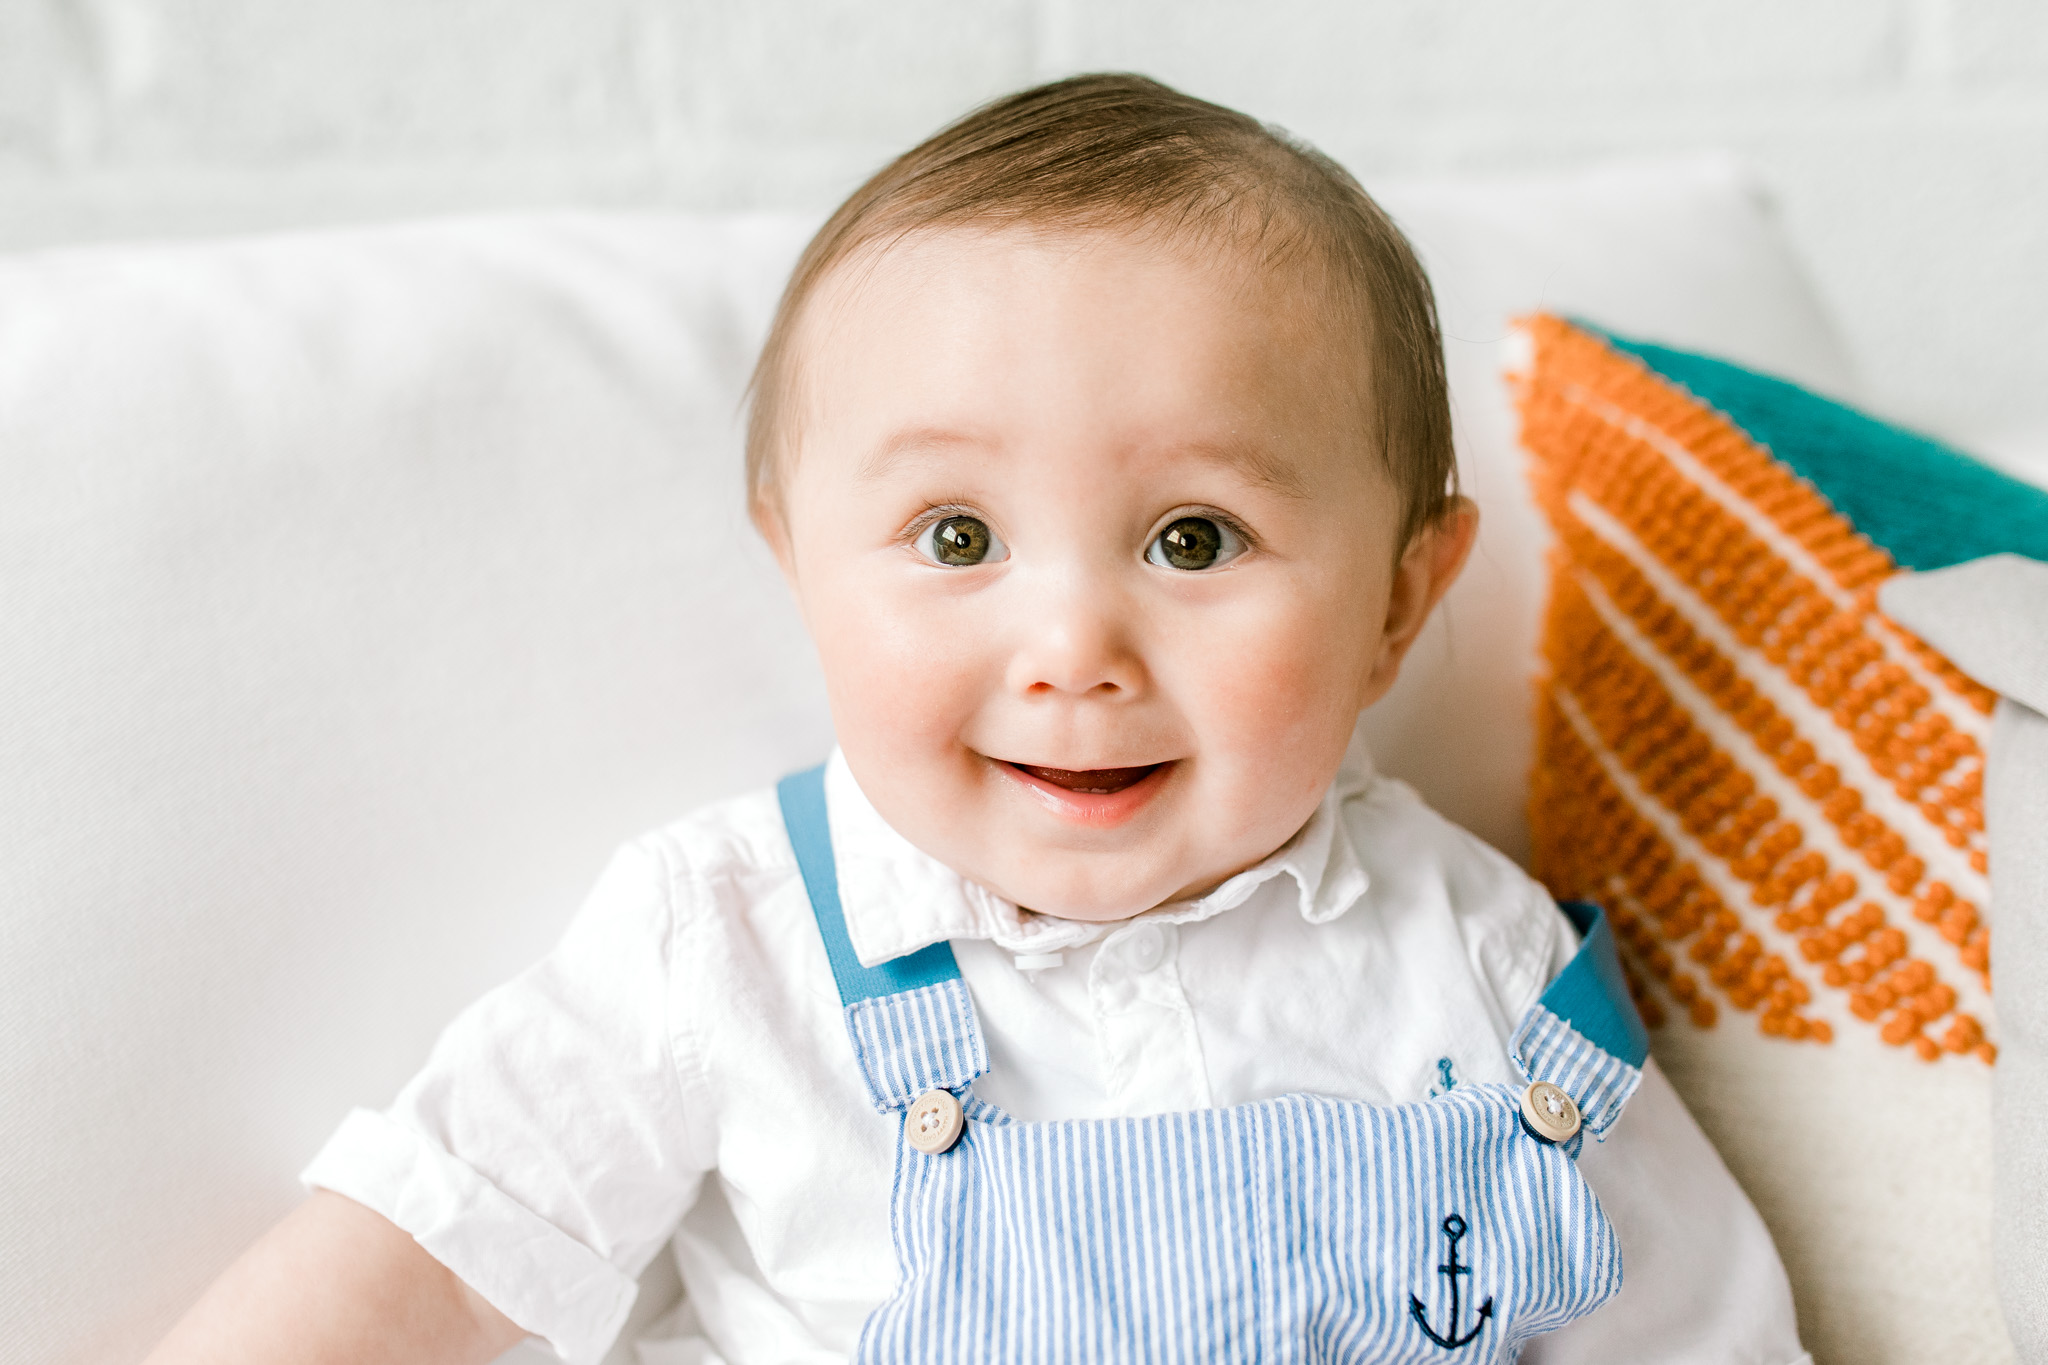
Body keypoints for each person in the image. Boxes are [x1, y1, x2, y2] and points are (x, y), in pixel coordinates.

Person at [144, 74, 1806, 1365]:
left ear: (1397, 602)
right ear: (797, 559)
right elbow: (430, 1251)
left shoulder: (1483, 966)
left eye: (1192, 538)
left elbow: (1701, 1330)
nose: (1073, 645)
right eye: (958, 539)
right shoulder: (731, 937)